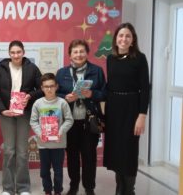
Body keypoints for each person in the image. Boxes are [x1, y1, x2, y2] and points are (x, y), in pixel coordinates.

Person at [0, 40, 43, 195]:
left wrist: (29, 96)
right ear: (9, 53)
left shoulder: (32, 68)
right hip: (7, 114)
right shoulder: (1, 69)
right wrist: (2, 110)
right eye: (12, 52)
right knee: (9, 151)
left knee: (21, 151)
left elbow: (41, 88)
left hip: (24, 114)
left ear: (23, 52)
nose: (16, 55)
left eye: (18, 52)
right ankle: (7, 188)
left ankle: (23, 187)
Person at [103, 23, 150, 195]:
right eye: (121, 35)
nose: (124, 39)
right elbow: (110, 85)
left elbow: (145, 88)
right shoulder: (111, 58)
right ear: (116, 39)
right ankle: (119, 188)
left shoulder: (139, 58)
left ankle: (129, 190)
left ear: (133, 40)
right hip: (114, 108)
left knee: (129, 150)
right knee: (116, 149)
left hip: (132, 108)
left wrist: (142, 115)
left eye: (127, 36)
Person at [56, 39, 106, 195]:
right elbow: (55, 95)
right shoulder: (62, 73)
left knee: (89, 156)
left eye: (82, 51)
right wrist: (65, 97)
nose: (79, 54)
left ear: (87, 53)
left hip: (89, 121)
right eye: (75, 52)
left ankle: (89, 187)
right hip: (69, 122)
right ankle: (74, 185)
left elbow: (104, 94)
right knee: (72, 156)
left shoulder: (97, 71)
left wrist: (92, 94)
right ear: (70, 54)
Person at [30, 73, 74, 195]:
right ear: (42, 88)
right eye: (46, 86)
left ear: (56, 86)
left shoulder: (62, 103)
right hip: (43, 144)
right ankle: (47, 190)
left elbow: (69, 120)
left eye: (51, 86)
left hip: (58, 144)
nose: (49, 89)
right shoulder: (38, 103)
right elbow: (33, 121)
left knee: (58, 171)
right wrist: (40, 133)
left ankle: (58, 191)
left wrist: (60, 132)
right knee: (44, 171)